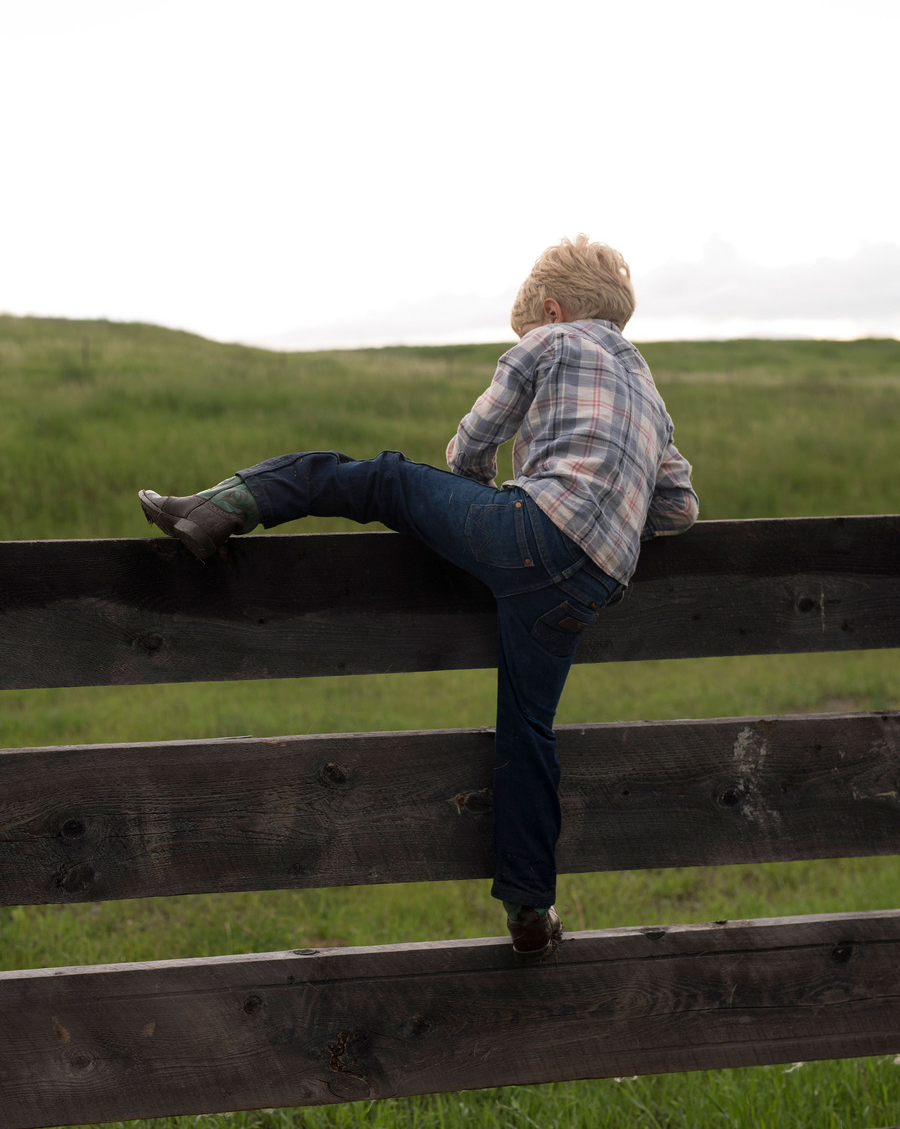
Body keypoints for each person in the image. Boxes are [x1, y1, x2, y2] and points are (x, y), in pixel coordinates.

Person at [139, 235, 698, 959]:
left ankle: (227, 502)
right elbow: (681, 510)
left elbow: (468, 447)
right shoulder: (651, 395)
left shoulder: (550, 343)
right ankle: (532, 905)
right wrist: (611, 519)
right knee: (529, 732)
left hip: (528, 532)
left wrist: (497, 492)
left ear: (553, 311)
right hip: (592, 582)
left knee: (387, 479)